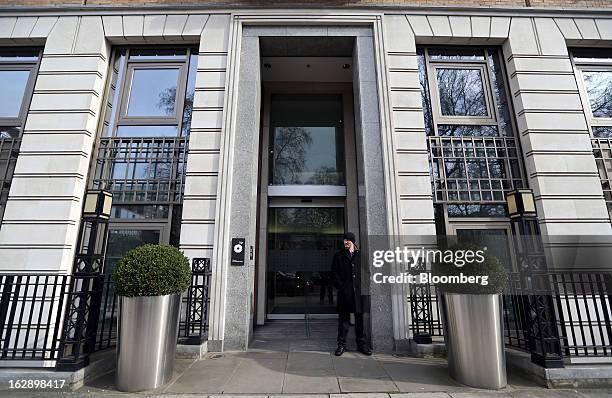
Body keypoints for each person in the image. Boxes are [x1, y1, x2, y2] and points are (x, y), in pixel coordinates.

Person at [331, 232, 372, 356]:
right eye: (344, 240)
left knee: (360, 320)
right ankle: (341, 345)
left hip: (359, 294)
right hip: (345, 294)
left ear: (353, 241)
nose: (345, 242)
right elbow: (334, 274)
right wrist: (342, 288)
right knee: (343, 321)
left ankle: (362, 345)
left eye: (348, 240)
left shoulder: (361, 255)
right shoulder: (338, 256)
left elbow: (367, 272)